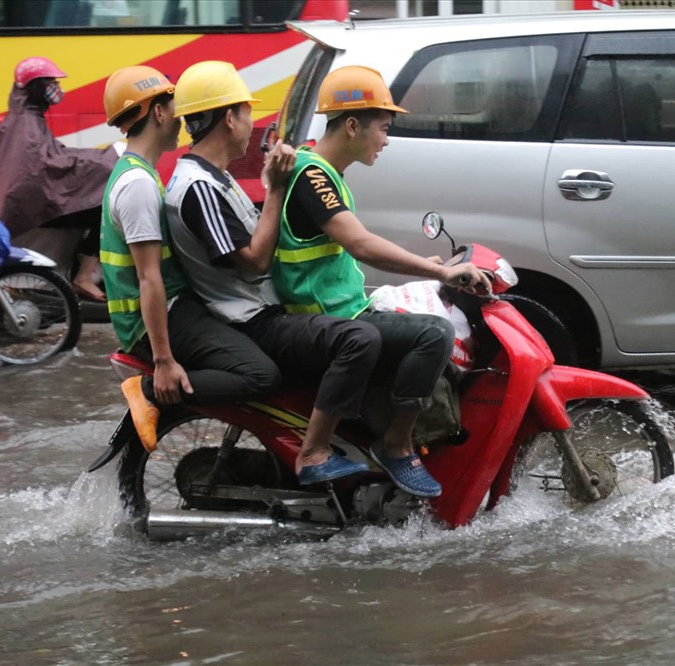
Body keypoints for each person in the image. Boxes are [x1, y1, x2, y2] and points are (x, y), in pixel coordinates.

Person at [271, 65, 490, 498]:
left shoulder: (324, 173)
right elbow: (362, 245)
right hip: (324, 320)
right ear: (352, 125)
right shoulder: (311, 175)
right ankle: (395, 445)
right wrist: (442, 271)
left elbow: (344, 257)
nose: (387, 140)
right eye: (384, 128)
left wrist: (426, 269)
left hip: (339, 310)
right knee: (433, 334)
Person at [164, 61, 381, 486]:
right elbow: (255, 261)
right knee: (360, 339)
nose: (251, 124)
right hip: (253, 319)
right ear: (229, 118)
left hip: (268, 310)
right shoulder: (198, 187)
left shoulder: (216, 179)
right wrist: (277, 187)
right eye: (247, 113)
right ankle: (315, 454)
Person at [100, 65, 282, 451]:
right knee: (260, 375)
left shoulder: (139, 174)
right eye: (172, 105)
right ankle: (148, 391)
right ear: (158, 113)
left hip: (174, 309)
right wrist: (163, 360)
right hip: (156, 320)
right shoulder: (137, 186)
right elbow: (149, 279)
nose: (182, 116)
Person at [0, 56, 115, 301]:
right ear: (35, 87)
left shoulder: (23, 119)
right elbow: (41, 169)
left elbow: (51, 155)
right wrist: (101, 161)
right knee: (102, 205)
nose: (56, 89)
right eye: (50, 83)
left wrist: (97, 158)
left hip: (23, 203)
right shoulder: (26, 125)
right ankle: (83, 276)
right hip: (29, 207)